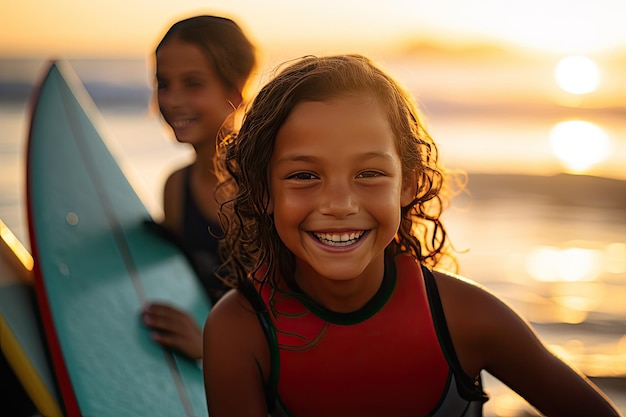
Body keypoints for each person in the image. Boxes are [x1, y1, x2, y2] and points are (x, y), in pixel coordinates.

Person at [202, 54, 622, 416]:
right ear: (262, 191)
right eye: (304, 175)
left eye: (369, 173)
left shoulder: (467, 318)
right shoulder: (241, 333)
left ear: (408, 184)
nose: (340, 203)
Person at [141, 14, 256, 360]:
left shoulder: (266, 187)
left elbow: (299, 315)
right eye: (163, 84)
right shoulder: (177, 187)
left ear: (234, 93)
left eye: (193, 84)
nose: (173, 100)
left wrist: (209, 346)